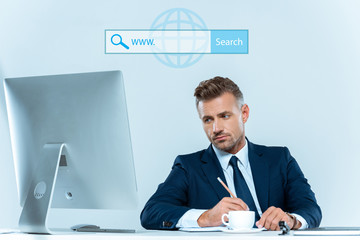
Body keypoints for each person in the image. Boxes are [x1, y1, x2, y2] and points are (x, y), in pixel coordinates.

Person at [140, 77, 321, 231]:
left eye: (224, 116)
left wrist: (290, 220)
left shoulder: (279, 159)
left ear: (244, 114)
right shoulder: (189, 167)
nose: (216, 128)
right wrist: (205, 218)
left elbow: (311, 209)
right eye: (208, 120)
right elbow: (151, 212)